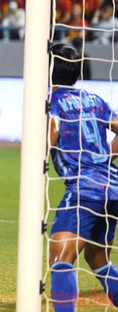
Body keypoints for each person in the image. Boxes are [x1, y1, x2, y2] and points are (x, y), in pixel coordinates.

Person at [48, 43, 118, 310]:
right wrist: (106, 158)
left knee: (61, 260)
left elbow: (48, 137)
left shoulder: (52, 104)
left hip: (83, 190)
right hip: (112, 187)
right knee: (98, 259)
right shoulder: (95, 99)